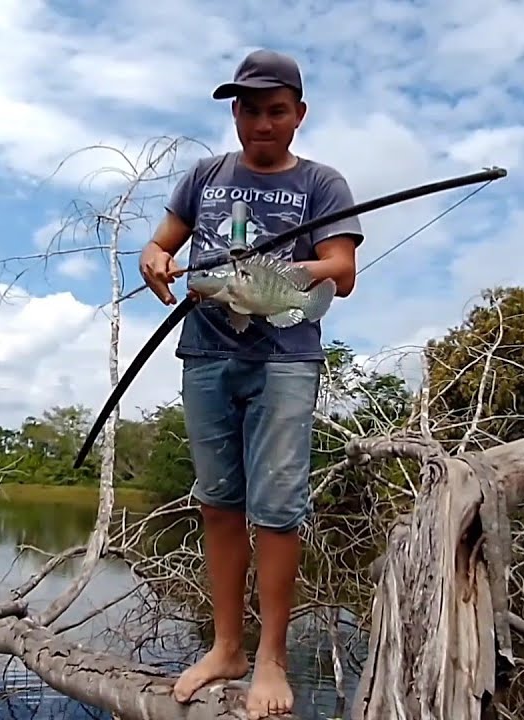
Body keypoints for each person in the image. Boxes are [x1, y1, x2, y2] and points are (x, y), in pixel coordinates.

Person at [137, 48, 364, 719]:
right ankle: (227, 647)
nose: (261, 123)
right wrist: (154, 257)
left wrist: (285, 276)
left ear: (297, 114)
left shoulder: (322, 185)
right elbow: (163, 245)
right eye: (248, 109)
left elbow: (342, 271)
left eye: (275, 110)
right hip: (206, 354)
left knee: (277, 509)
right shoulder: (204, 177)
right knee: (217, 501)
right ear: (234, 113)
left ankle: (271, 658)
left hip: (286, 360)